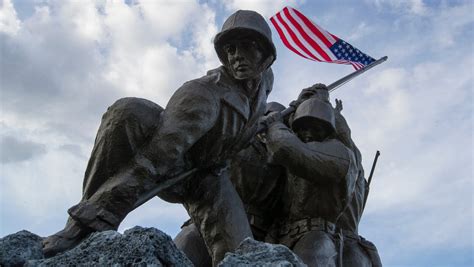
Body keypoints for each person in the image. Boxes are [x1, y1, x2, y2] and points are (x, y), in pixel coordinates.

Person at [42, 9, 277, 266]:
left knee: (242, 254)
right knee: (127, 114)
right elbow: (155, 158)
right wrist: (85, 222)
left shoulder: (264, 80)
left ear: (265, 57)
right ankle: (83, 227)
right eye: (231, 49)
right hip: (175, 163)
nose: (237, 57)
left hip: (211, 175)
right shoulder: (203, 94)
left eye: (247, 47)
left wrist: (263, 121)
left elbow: (245, 115)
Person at [174, 102, 287, 267]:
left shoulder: (284, 159)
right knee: (179, 253)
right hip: (206, 221)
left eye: (275, 116)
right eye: (266, 113)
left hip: (253, 235)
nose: (268, 119)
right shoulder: (238, 140)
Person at [265, 92, 358, 266]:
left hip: (315, 237)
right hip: (281, 236)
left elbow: (285, 148)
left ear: (329, 131)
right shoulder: (294, 157)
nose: (307, 133)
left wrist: (275, 124)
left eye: (316, 127)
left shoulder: (339, 153)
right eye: (302, 127)